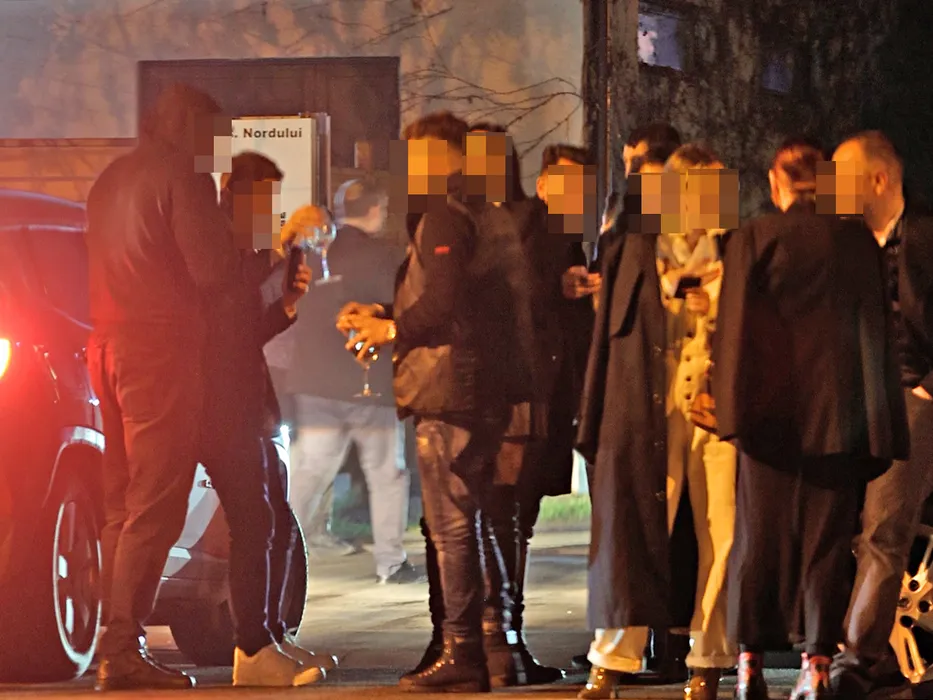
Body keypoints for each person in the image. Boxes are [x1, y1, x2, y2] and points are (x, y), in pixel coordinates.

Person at [338, 110, 538, 693]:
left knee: (452, 527)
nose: (412, 168)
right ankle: (497, 645)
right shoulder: (485, 212)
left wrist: (390, 329)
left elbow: (446, 300)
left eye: (420, 156)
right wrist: (388, 313)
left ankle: (462, 651)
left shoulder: (447, 213)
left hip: (450, 388)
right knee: (474, 519)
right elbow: (466, 299)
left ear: (448, 156)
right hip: (480, 387)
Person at [713, 139, 908, 700]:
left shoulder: (755, 238)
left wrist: (730, 413)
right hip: (838, 419)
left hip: (767, 422)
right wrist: (879, 422)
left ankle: (749, 663)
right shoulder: (855, 242)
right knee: (826, 546)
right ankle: (817, 664)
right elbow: (875, 332)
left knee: (758, 540)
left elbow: (734, 332)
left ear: (777, 182)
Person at [85, 83, 244, 691]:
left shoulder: (110, 179)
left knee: (122, 504)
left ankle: (113, 639)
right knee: (156, 502)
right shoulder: (183, 176)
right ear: (186, 127)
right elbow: (213, 269)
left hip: (107, 347)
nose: (217, 147)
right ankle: (123, 646)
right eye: (213, 134)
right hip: (159, 354)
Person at [215, 151, 338, 683]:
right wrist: (275, 275)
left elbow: (248, 333)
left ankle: (270, 637)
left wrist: (286, 303)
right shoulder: (221, 251)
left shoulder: (244, 250)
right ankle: (253, 647)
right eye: (263, 197)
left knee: (274, 520)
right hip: (224, 408)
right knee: (255, 522)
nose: (270, 209)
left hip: (252, 404)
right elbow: (230, 331)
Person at [830, 131, 933, 698]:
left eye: (842, 176)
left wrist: (928, 389)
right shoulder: (844, 243)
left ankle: (857, 660)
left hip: (909, 400)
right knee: (846, 527)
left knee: (884, 529)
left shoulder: (925, 234)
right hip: (853, 402)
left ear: (878, 178)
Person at [285, 177, 420, 584]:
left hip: (314, 381)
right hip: (368, 385)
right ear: (376, 210)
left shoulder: (314, 252)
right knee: (386, 474)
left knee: (309, 472)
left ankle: (279, 552)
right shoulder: (388, 257)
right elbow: (402, 306)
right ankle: (390, 563)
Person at [655, 144, 739, 700]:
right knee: (647, 523)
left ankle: (709, 656)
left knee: (721, 528)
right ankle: (614, 653)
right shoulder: (647, 245)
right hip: (659, 400)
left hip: (716, 398)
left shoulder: (735, 245)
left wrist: (717, 304)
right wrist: (675, 293)